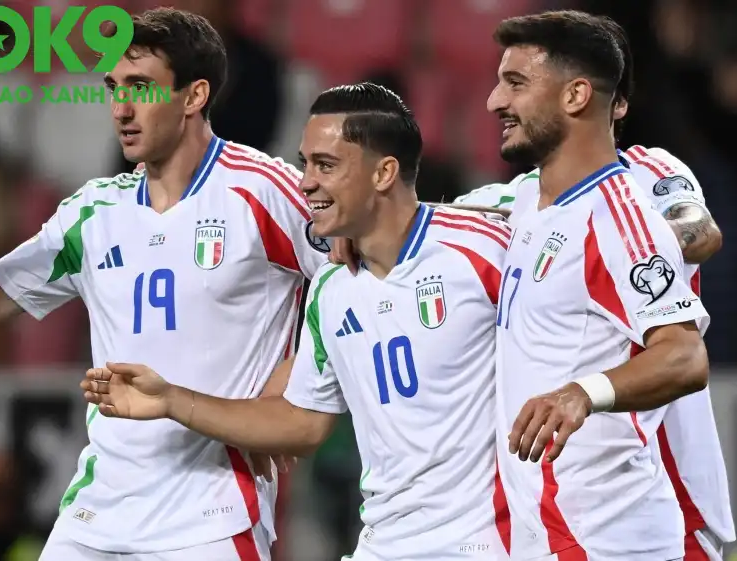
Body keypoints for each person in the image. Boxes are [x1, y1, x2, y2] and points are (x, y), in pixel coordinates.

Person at [0, 8, 329, 561]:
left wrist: (290, 383)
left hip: (209, 517)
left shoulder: (262, 191)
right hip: (95, 515)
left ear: (195, 95)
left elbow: (368, 276)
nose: (121, 108)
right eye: (113, 88)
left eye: (141, 88)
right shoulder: (93, 212)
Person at [79, 83, 512, 560]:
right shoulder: (331, 288)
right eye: (305, 163)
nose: (305, 183)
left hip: (486, 542)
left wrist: (576, 396)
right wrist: (171, 400)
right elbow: (303, 420)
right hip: (384, 543)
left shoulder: (484, 249)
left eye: (326, 165)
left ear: (384, 172)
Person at [458, 18, 734, 560]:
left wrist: (629, 244)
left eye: (515, 83)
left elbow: (702, 232)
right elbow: (430, 222)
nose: (494, 101)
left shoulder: (644, 180)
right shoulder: (525, 198)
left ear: (606, 101)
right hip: (559, 510)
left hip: (660, 491)